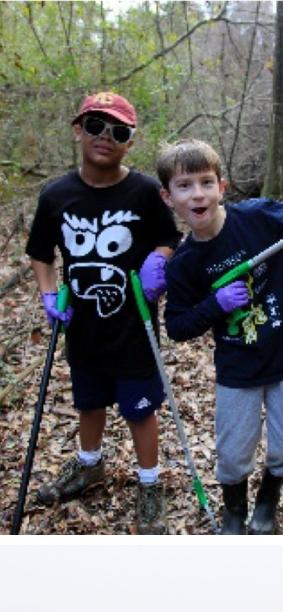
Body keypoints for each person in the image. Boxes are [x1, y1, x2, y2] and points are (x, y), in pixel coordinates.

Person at [157, 140, 283, 535]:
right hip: (238, 369)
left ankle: (268, 499)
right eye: (185, 185)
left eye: (206, 182)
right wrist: (217, 304)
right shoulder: (186, 263)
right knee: (232, 452)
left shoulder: (257, 217)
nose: (198, 194)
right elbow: (177, 327)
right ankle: (233, 510)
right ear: (168, 197)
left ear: (221, 187)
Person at [25, 91, 181, 534]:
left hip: (134, 324)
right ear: (78, 130)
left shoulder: (147, 191)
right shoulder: (56, 194)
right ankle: (88, 464)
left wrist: (159, 261)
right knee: (88, 401)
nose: (105, 137)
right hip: (83, 325)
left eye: (119, 131)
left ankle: (149, 484)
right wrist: (48, 294)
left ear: (130, 142)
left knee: (138, 408)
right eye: (95, 126)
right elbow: (40, 251)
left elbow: (169, 236)